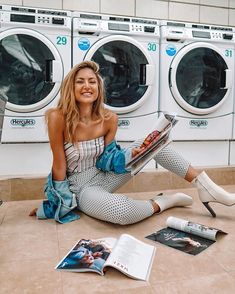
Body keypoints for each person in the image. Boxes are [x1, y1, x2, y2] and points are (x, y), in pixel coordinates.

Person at [30, 60, 235, 225]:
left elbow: (106, 159)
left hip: (105, 175)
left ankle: (205, 186)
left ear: (98, 87)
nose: (87, 86)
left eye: (92, 81)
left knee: (151, 144)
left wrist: (132, 155)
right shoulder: (58, 117)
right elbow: (59, 165)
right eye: (80, 81)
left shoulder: (109, 118)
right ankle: (163, 202)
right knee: (123, 212)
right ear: (70, 87)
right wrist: (59, 203)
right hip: (81, 187)